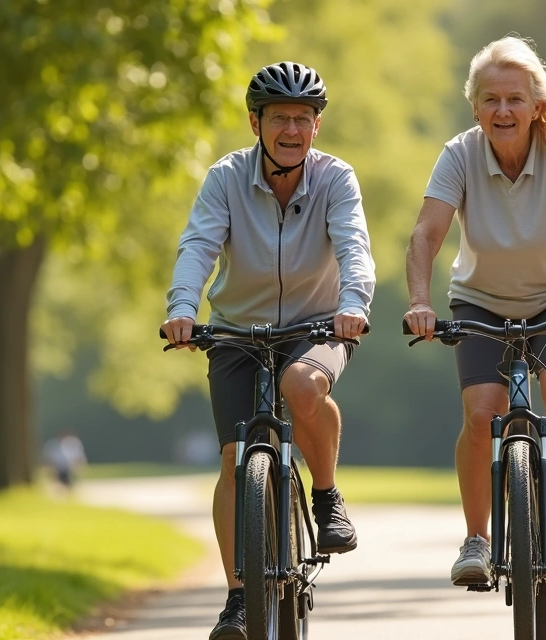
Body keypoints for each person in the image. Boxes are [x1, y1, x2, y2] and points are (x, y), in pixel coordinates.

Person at [403, 36, 546, 587]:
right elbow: (427, 233)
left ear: (535, 105)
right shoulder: (459, 154)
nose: (502, 111)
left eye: (514, 100)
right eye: (490, 100)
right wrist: (419, 302)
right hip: (482, 300)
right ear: (475, 105)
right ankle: (476, 538)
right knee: (482, 413)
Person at [161, 61, 375, 640]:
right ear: (256, 122)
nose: (291, 130)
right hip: (236, 330)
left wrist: (354, 304)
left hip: (319, 325)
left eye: (303, 119)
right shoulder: (226, 177)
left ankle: (326, 495)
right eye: (280, 117)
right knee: (234, 459)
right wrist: (183, 308)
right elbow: (198, 245)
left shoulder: (335, 178)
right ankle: (237, 596)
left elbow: (354, 244)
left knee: (302, 386)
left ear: (316, 127)